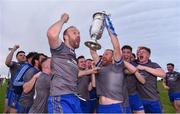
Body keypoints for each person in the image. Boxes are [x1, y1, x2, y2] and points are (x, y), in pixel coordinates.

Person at [90, 24, 137, 113]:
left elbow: (116, 47)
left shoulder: (117, 67)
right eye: (103, 54)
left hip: (116, 107)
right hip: (101, 108)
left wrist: (110, 29)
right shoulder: (100, 67)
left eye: (107, 54)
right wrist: (93, 34)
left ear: (113, 58)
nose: (104, 55)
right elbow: (93, 52)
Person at [47, 13, 81, 113]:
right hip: (61, 98)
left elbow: (76, 74)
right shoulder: (60, 48)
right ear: (65, 37)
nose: (78, 35)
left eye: (79, 33)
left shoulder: (73, 56)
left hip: (74, 97)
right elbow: (51, 34)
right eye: (74, 33)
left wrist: (91, 71)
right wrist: (63, 19)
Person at [135, 46, 165, 113]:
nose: (140, 53)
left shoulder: (153, 65)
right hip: (140, 100)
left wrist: (144, 68)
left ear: (148, 55)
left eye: (143, 52)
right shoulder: (134, 65)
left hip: (153, 99)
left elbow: (162, 74)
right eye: (138, 52)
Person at [121, 45, 145, 114]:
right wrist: (134, 70)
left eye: (128, 52)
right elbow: (126, 71)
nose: (126, 54)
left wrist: (134, 70)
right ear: (121, 53)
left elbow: (143, 81)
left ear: (131, 54)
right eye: (124, 52)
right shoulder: (117, 65)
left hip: (133, 94)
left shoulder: (135, 64)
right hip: (121, 96)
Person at [5, 45, 26, 113]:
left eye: (24, 55)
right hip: (13, 91)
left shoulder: (28, 66)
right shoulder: (15, 64)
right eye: (20, 55)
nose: (23, 56)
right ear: (16, 58)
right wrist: (13, 50)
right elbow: (7, 62)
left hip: (24, 92)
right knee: (9, 110)